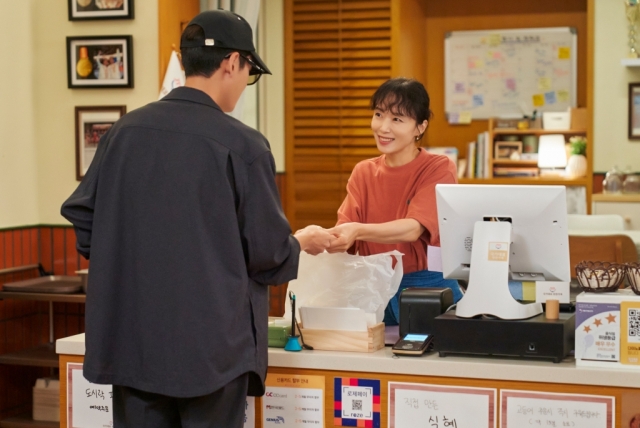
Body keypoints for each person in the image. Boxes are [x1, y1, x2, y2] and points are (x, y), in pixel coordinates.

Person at [61, 10, 332, 428]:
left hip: (132, 346)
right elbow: (269, 254)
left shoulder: (122, 133)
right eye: (249, 72)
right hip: (212, 355)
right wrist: (301, 241)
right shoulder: (243, 145)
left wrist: (127, 263)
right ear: (232, 63)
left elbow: (82, 213)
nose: (244, 83)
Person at [327, 77, 463, 326]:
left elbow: (413, 228)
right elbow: (344, 234)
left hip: (425, 285)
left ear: (420, 127)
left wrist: (356, 230)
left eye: (397, 119)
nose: (383, 127)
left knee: (433, 362)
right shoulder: (363, 171)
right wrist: (320, 239)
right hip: (372, 283)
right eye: (379, 114)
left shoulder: (439, 167)